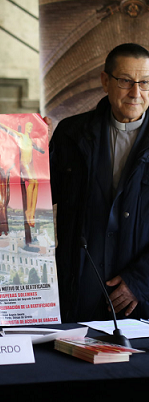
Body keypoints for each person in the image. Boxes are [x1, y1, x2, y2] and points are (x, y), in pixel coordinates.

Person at [50, 42, 149, 323]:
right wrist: (34, 152)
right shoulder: (71, 132)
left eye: (145, 83)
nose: (136, 93)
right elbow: (43, 197)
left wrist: (140, 281)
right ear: (105, 81)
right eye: (126, 81)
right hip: (78, 286)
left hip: (136, 297)